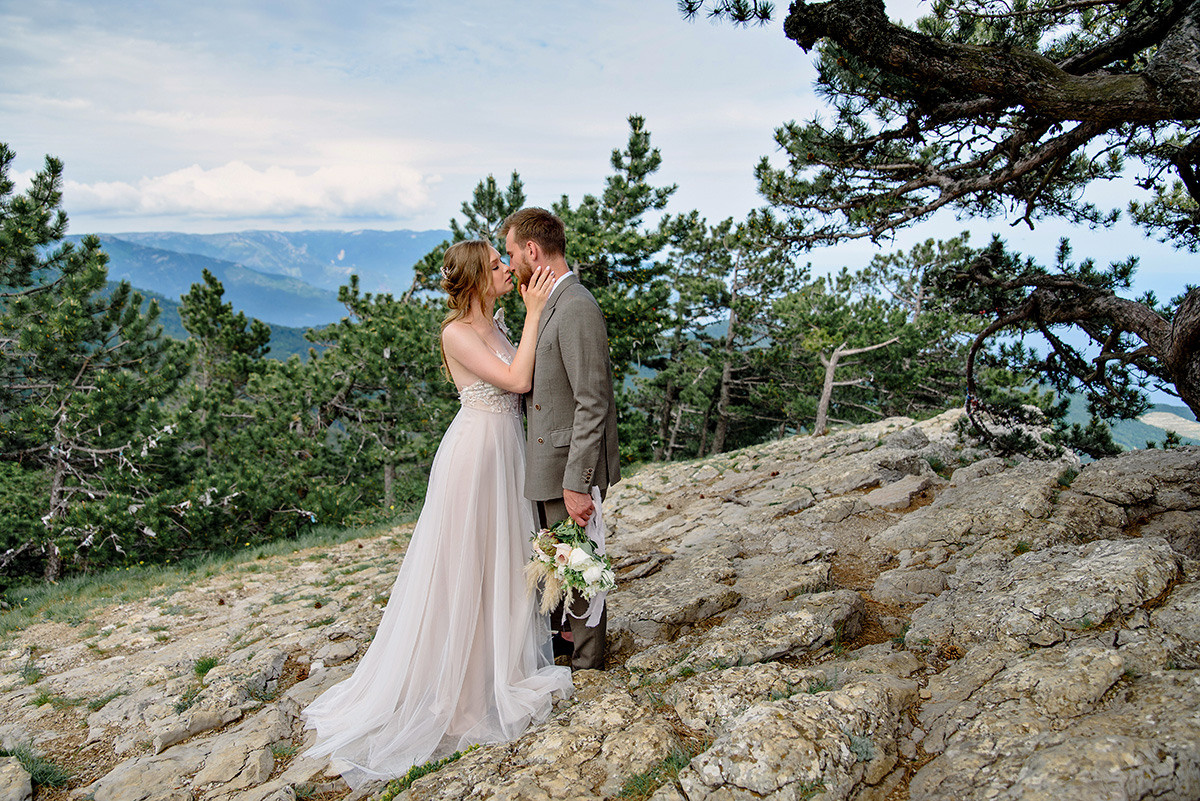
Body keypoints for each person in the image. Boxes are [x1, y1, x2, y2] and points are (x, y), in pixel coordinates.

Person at [301, 240, 571, 789]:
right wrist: (536, 313)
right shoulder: (457, 333)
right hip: (474, 456)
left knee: (501, 561)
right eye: (497, 265)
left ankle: (499, 668)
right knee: (466, 565)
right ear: (475, 277)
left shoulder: (495, 323)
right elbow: (517, 381)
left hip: (505, 450)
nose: (506, 268)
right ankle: (463, 696)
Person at [501, 208, 620, 671]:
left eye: (511, 254)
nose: (510, 265)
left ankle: (590, 665)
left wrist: (577, 480)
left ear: (532, 250)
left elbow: (594, 401)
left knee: (581, 562)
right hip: (548, 464)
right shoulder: (550, 304)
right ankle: (568, 648)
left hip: (570, 466)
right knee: (561, 565)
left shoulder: (576, 307)